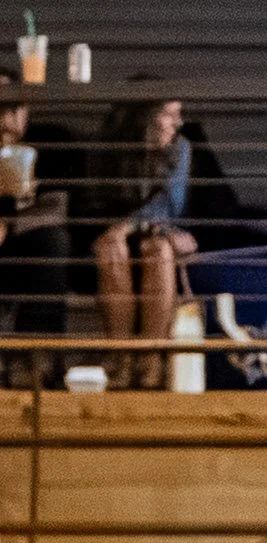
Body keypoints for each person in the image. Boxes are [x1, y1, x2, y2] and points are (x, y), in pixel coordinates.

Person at [87, 93, 196, 386]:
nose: (178, 122)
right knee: (111, 248)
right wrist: (121, 229)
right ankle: (120, 356)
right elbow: (95, 203)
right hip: (112, 232)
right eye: (169, 114)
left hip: (161, 232)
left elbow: (169, 204)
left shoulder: (181, 149)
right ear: (145, 118)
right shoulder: (105, 149)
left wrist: (128, 225)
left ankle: (150, 359)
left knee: (158, 250)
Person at [0, 69, 69, 357]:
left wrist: (8, 223)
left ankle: (35, 358)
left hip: (30, 244)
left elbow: (57, 207)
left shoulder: (50, 140)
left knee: (55, 242)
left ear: (25, 108)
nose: (6, 118)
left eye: (12, 108)